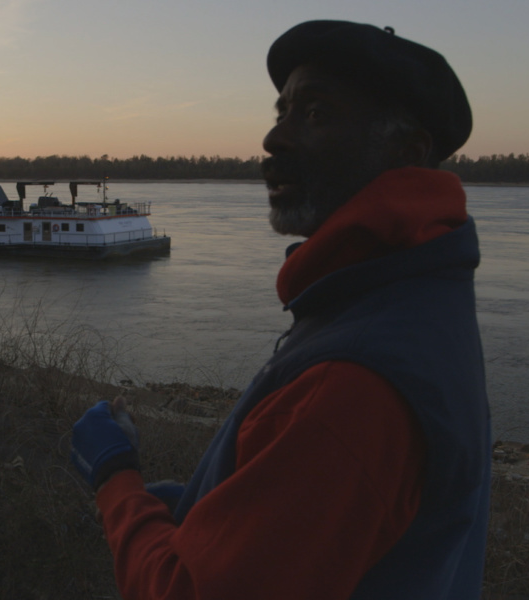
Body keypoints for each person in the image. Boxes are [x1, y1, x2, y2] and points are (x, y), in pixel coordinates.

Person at [71, 20, 491, 599]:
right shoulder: (418, 291)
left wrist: (115, 477)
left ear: (407, 153)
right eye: (281, 112)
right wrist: (199, 512)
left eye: (315, 113)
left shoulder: (353, 382)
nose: (273, 140)